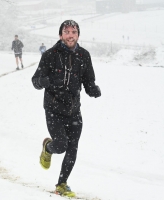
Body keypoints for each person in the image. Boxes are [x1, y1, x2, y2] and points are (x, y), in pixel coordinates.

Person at [31, 20, 101, 197]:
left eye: (74, 32)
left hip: (74, 110)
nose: (71, 35)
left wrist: (92, 89)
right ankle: (48, 148)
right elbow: (36, 80)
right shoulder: (50, 55)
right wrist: (45, 81)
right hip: (53, 108)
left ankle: (61, 184)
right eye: (67, 31)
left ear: (78, 35)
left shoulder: (84, 55)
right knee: (61, 145)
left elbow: (88, 80)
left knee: (73, 148)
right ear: (60, 34)